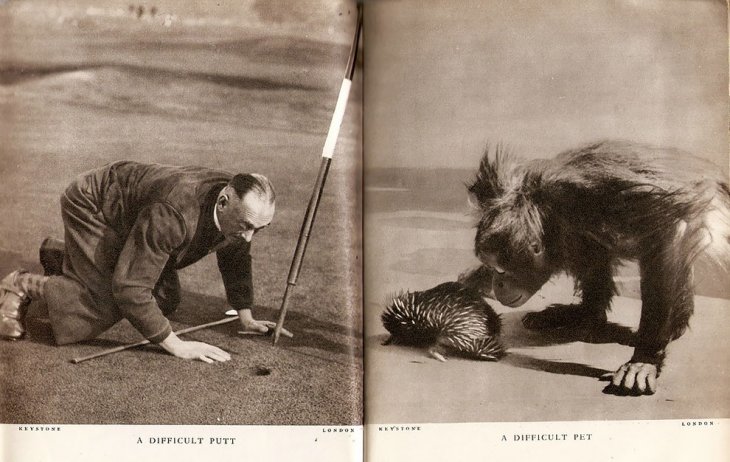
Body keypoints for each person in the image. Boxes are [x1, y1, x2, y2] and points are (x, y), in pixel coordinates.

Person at [0, 160, 281, 363]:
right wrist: (176, 345)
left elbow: (236, 256)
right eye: (247, 226)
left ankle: (65, 255)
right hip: (93, 206)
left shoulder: (236, 208)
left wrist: (246, 316)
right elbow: (130, 289)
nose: (248, 237)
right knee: (103, 304)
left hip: (131, 220)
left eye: (259, 229)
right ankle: (21, 284)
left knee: (165, 297)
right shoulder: (175, 213)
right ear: (223, 202)